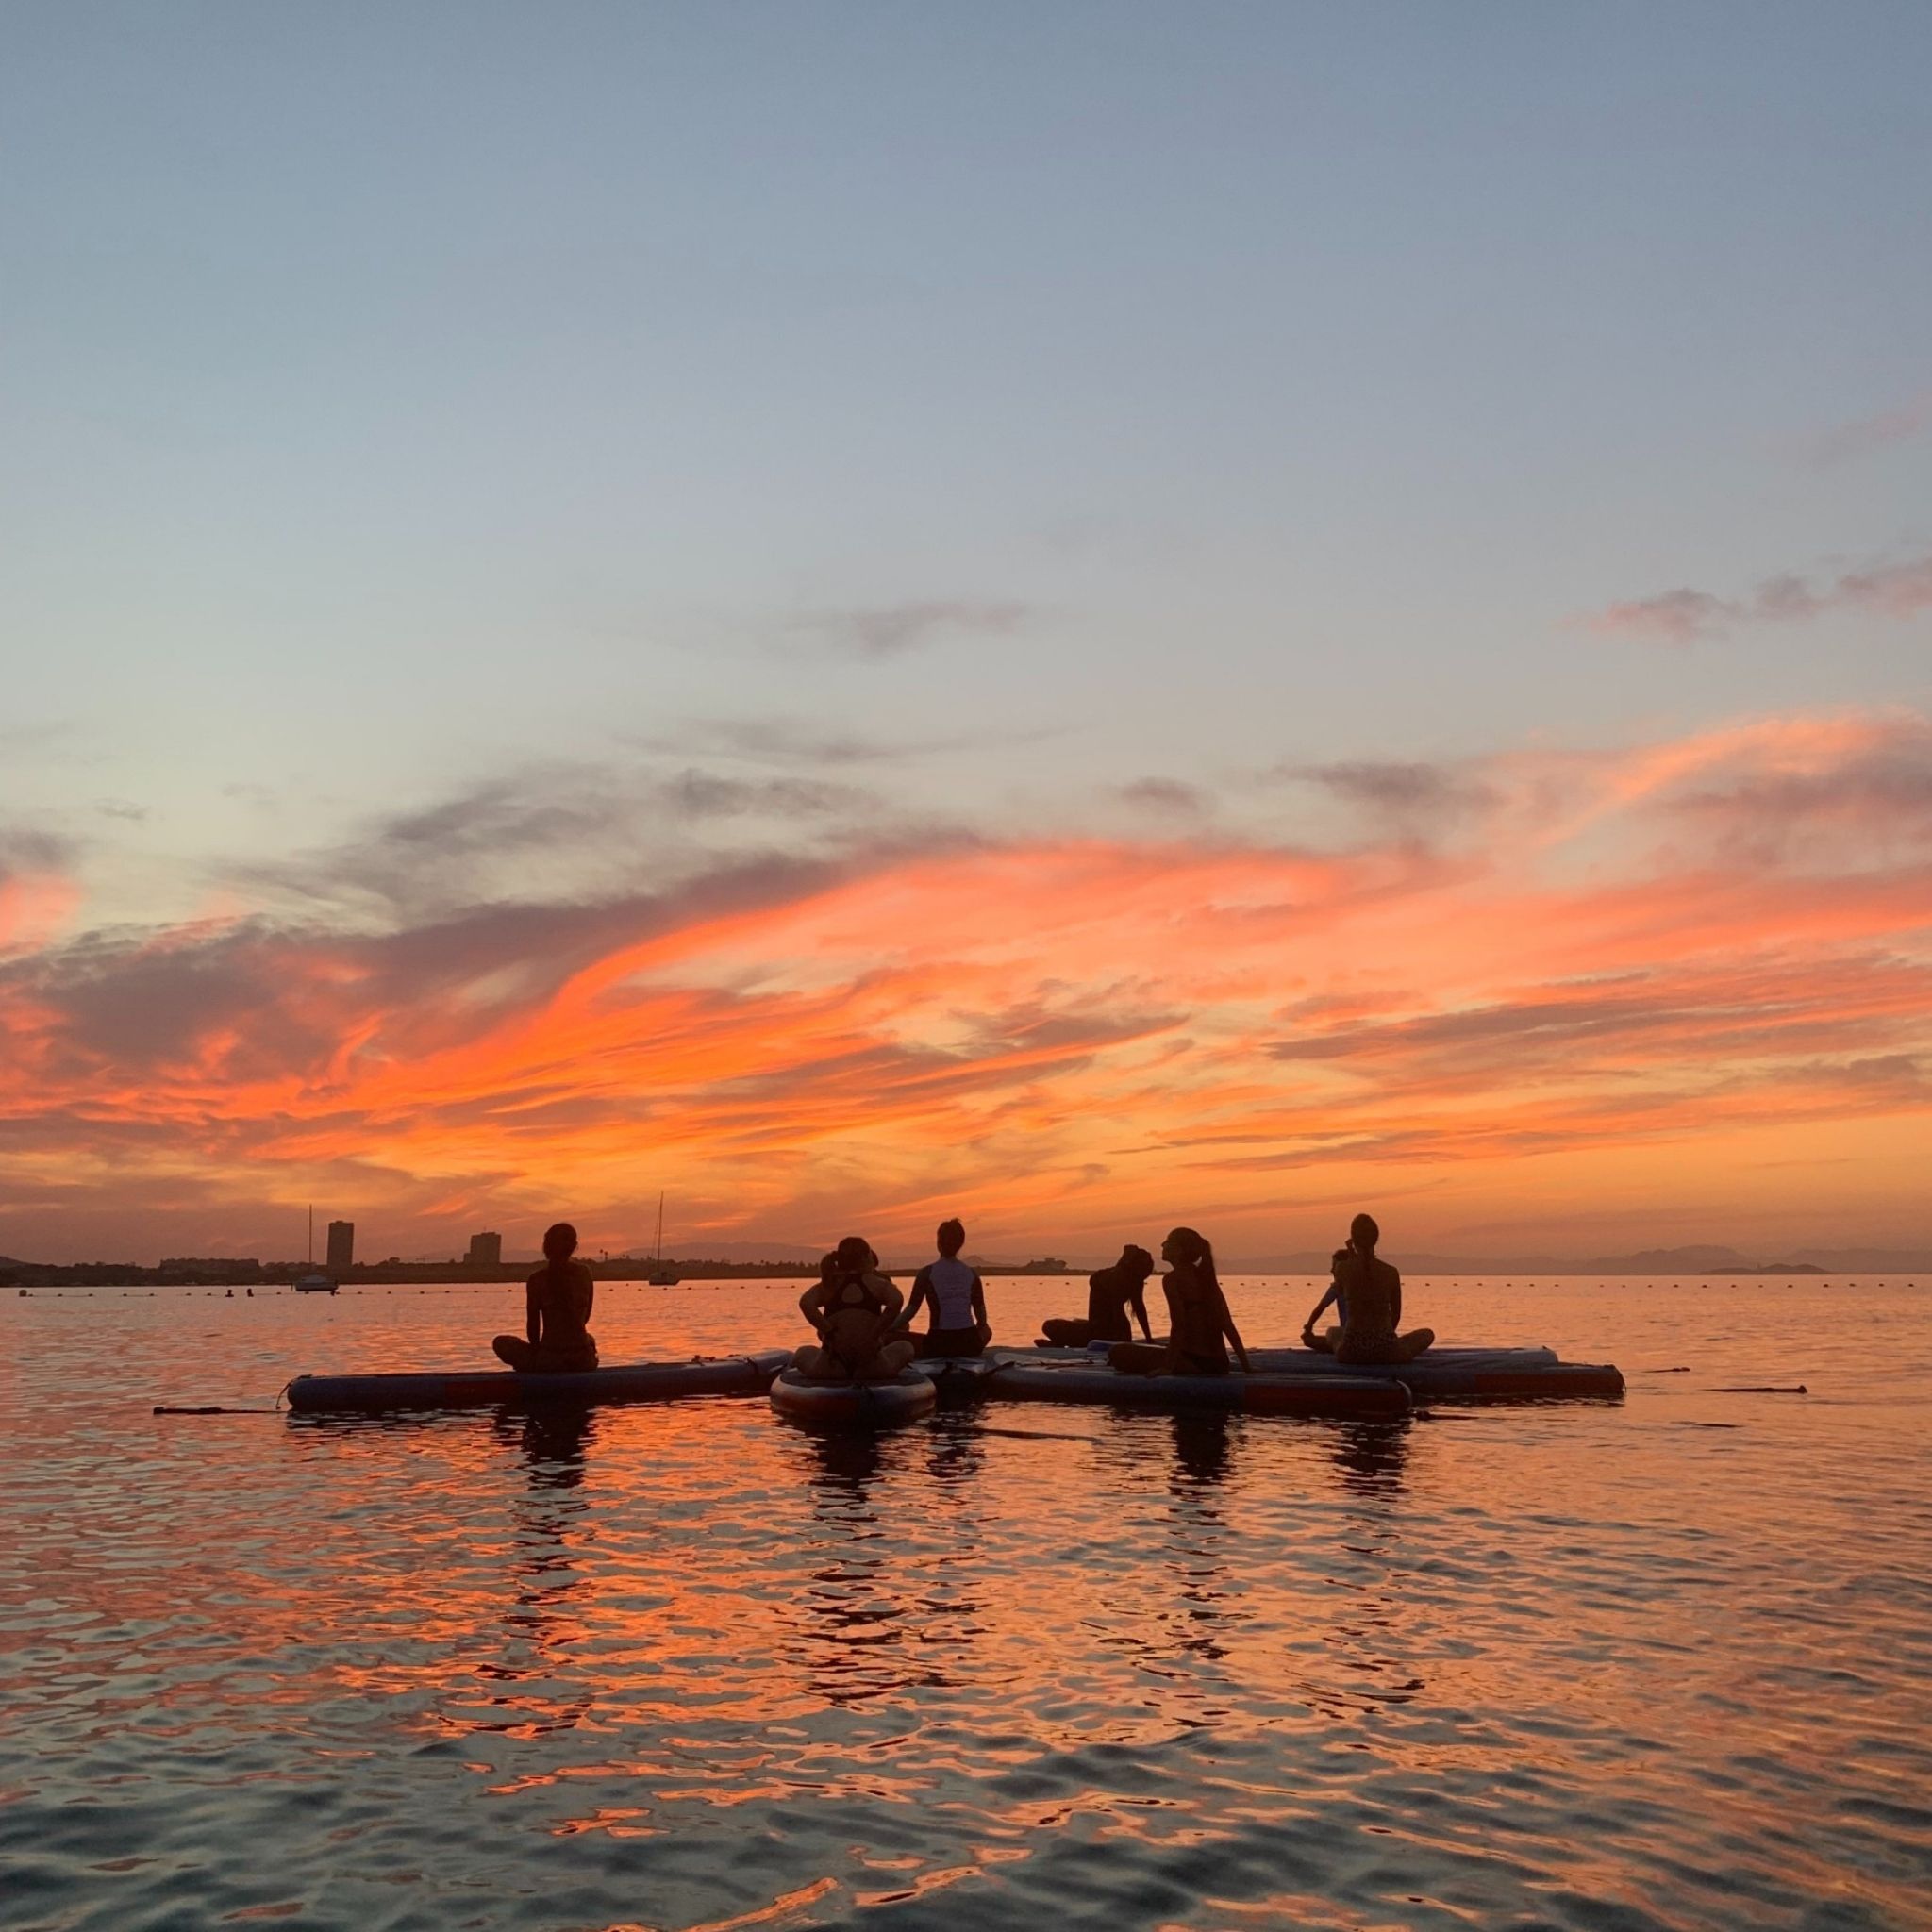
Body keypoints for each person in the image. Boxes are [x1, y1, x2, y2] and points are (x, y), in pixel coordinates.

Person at [1109, 1227, 1252, 1376]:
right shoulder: (1206, 1277)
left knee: (1118, 1351)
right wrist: (1246, 1366)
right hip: (1220, 1363)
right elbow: (1227, 1325)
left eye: (1168, 1242)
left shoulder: (1172, 1280)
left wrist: (1168, 1368)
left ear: (1179, 1250)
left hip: (1192, 1361)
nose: (1162, 1245)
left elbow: (1179, 1325)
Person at [1304, 1213, 1434, 1365]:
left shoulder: (1342, 1269)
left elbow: (1344, 1288)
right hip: (1388, 1352)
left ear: (1353, 1239)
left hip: (1351, 1352)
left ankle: (1314, 1341)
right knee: (1427, 1334)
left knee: (1332, 1332)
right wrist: (1384, 1339)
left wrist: (1352, 1253)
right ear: (1376, 1239)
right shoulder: (1391, 1272)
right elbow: (1396, 1315)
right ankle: (1386, 1344)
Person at [794, 1236, 919, 1383]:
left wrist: (828, 1331)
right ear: (867, 1257)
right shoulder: (878, 1284)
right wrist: (876, 1333)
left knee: (802, 1352)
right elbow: (896, 1300)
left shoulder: (828, 1285)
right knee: (906, 1347)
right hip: (871, 1366)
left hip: (832, 1366)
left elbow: (805, 1303)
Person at [493, 1223, 598, 1373]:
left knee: (500, 1343)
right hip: (583, 1359)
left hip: (551, 1360)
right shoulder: (584, 1273)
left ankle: (535, 1371)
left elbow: (533, 1331)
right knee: (589, 1338)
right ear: (574, 1247)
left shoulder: (537, 1280)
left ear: (546, 1246)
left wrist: (539, 1354)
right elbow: (585, 1318)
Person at [901, 1218, 991, 1357]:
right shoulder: (972, 1274)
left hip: (939, 1344)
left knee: (896, 1336)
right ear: (961, 1244)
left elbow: (911, 1310)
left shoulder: (927, 1273)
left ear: (939, 1243)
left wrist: (889, 1328)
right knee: (987, 1331)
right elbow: (982, 1318)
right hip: (969, 1343)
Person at [1040, 1243, 1157, 1347]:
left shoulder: (1127, 1279)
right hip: (1109, 1331)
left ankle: (1058, 1343)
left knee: (1049, 1326)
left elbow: (1134, 1310)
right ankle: (1059, 1344)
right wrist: (1148, 1339)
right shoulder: (1125, 1279)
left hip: (1100, 1333)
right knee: (1073, 1322)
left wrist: (1145, 1339)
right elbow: (1138, 1310)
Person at [1296, 1248, 1354, 1349]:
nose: (1331, 1270)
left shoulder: (1337, 1287)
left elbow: (1320, 1308)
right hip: (1365, 1333)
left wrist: (1309, 1327)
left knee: (1330, 1333)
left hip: (1350, 1335)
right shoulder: (1363, 1284)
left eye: (1334, 1266)